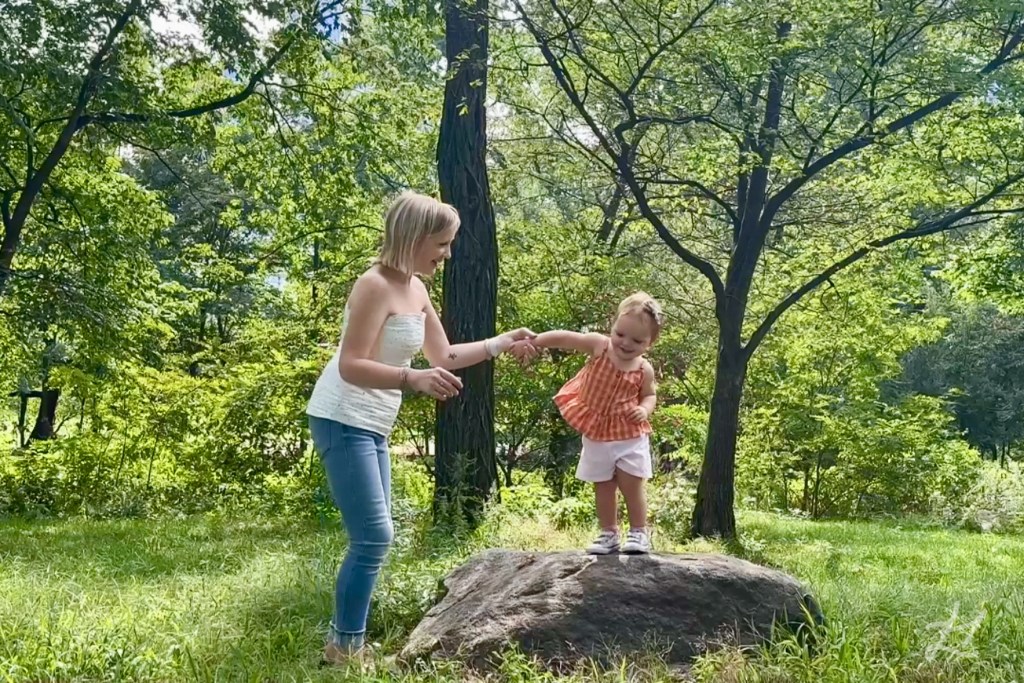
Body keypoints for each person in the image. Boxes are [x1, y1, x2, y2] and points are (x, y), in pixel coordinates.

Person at [305, 191, 535, 666]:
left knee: (375, 537)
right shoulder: (373, 284)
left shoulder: (416, 288)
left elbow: (444, 356)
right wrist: (411, 378)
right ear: (414, 237)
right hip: (341, 416)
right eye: (442, 243)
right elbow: (351, 365)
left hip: (372, 423)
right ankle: (344, 648)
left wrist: (501, 342)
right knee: (373, 536)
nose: (447, 254)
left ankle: (346, 642)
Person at [510, 292, 662, 555]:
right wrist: (536, 341)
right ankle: (608, 533)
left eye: (637, 340)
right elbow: (567, 338)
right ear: (612, 326)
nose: (625, 343)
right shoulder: (600, 346)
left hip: (629, 434)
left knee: (632, 483)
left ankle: (639, 532)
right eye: (620, 334)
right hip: (597, 432)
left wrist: (644, 409)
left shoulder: (643, 369)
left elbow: (649, 394)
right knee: (602, 484)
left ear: (650, 343)